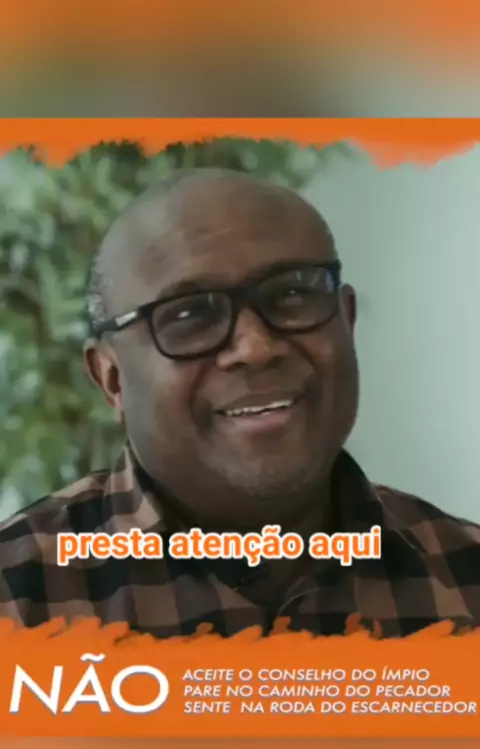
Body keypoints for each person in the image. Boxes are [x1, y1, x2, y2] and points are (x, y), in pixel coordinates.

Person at [1, 168, 479, 638]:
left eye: (292, 293)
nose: (256, 347)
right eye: (189, 315)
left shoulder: (465, 578)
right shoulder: (18, 600)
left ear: (346, 322)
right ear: (111, 379)